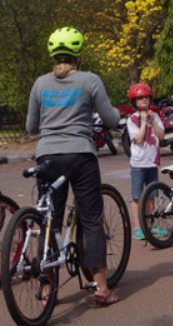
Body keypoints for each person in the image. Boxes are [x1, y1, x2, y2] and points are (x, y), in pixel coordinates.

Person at [25, 27, 123, 307]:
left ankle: (46, 288)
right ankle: (101, 287)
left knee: (49, 221)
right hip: (80, 154)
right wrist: (115, 116)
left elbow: (31, 127)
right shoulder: (90, 80)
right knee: (92, 219)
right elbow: (110, 118)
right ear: (78, 55)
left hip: (47, 156)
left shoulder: (40, 84)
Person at [125, 82, 165, 241]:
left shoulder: (155, 116)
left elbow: (161, 136)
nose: (144, 100)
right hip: (138, 164)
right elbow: (139, 139)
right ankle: (137, 227)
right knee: (136, 196)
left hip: (152, 162)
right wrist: (143, 122)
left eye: (146, 98)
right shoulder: (132, 120)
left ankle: (151, 225)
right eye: (140, 98)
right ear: (134, 101)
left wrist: (153, 121)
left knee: (151, 195)